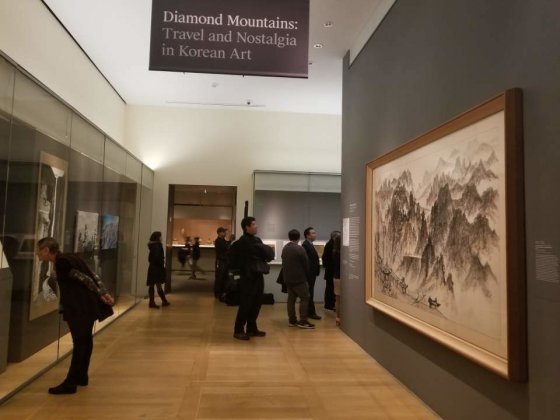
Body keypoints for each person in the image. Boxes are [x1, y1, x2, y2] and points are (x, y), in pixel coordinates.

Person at [36, 237, 114, 395]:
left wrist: (102, 295)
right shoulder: (71, 257)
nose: (37, 254)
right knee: (85, 341)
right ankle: (81, 376)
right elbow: (92, 275)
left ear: (46, 250)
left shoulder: (62, 262)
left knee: (80, 343)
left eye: (39, 250)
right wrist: (104, 292)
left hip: (79, 308)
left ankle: (70, 382)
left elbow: (85, 279)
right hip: (86, 306)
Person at [228, 216, 274, 340]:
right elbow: (234, 261)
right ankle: (238, 330)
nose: (256, 226)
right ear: (246, 227)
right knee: (246, 304)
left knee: (257, 303)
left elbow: (267, 255)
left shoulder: (257, 240)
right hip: (247, 277)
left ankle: (252, 328)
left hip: (258, 275)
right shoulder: (241, 242)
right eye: (253, 224)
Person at [281, 229, 314, 329]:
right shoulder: (300, 249)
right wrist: (307, 276)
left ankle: (292, 320)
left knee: (291, 299)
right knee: (305, 297)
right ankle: (303, 321)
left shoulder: (285, 248)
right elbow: (306, 264)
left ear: (289, 237)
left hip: (288, 278)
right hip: (299, 278)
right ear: (299, 237)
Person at [302, 227, 322, 320]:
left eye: (315, 233)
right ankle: (310, 312)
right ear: (307, 235)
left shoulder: (309, 244)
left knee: (310, 292)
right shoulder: (305, 245)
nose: (315, 234)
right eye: (313, 233)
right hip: (309, 274)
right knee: (309, 293)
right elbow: (307, 261)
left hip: (312, 273)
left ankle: (309, 312)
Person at [147, 231, 170, 308]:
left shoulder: (152, 246)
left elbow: (150, 258)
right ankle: (162, 301)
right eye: (160, 236)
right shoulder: (158, 246)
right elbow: (157, 258)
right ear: (158, 237)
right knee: (158, 285)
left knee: (152, 285)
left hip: (152, 267)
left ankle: (153, 302)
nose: (161, 237)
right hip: (157, 268)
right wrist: (161, 264)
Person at [322, 230, 340, 311]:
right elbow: (326, 259)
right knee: (330, 288)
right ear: (334, 237)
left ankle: (330, 304)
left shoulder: (332, 245)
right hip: (331, 271)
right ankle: (329, 305)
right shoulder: (330, 245)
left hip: (331, 271)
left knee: (331, 288)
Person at [214, 227, 230, 300]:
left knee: (223, 277)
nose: (225, 233)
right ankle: (218, 293)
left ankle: (222, 292)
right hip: (221, 261)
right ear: (219, 233)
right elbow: (226, 248)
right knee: (220, 277)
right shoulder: (218, 241)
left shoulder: (222, 241)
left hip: (224, 261)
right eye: (223, 232)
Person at [332, 234, 342, 326]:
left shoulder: (334, 252)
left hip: (336, 277)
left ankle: (338, 318)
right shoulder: (342, 253)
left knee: (338, 299)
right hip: (341, 277)